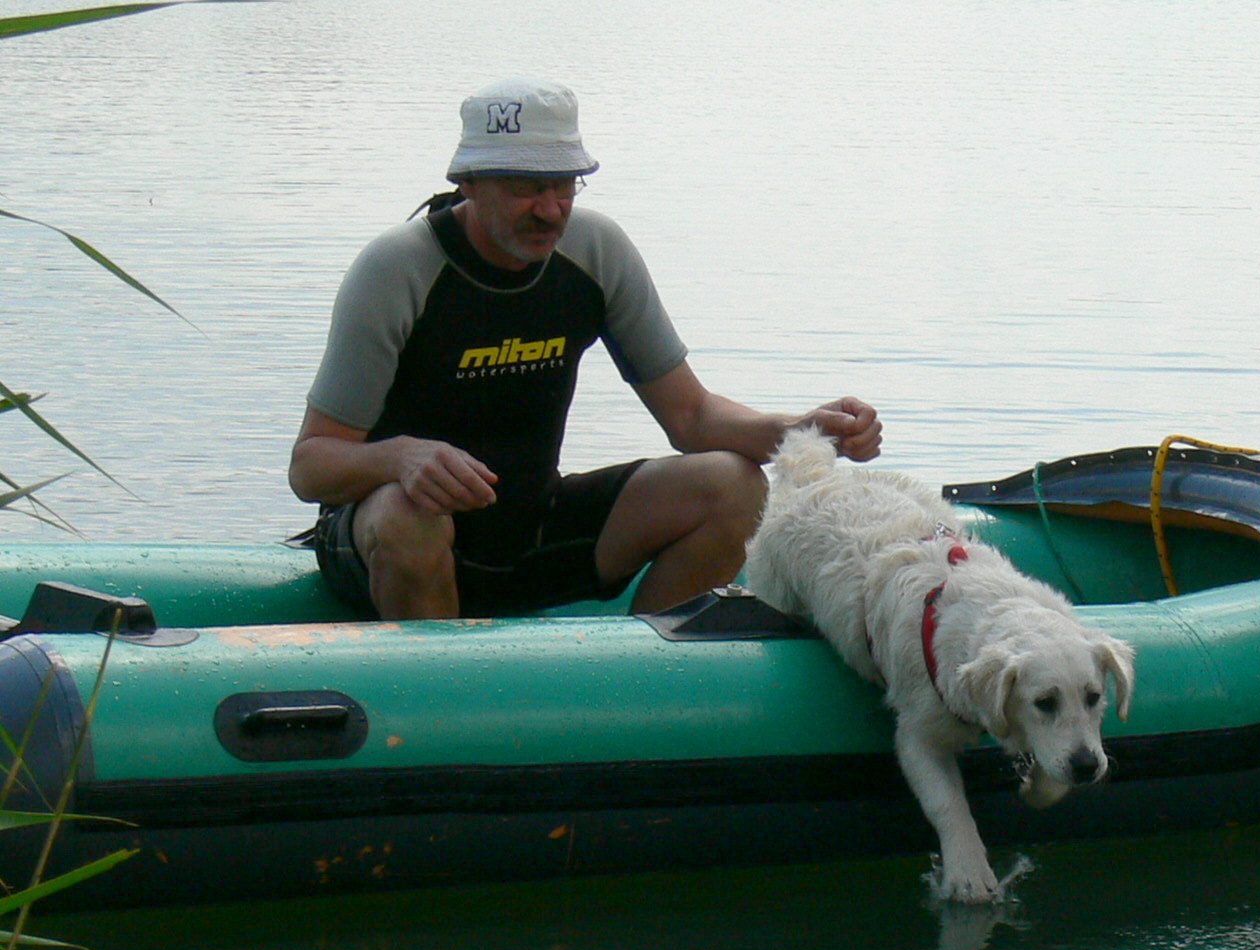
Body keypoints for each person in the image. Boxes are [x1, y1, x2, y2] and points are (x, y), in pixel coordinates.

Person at [289, 77, 880, 619]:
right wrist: (402, 458)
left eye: (563, 184)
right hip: (388, 542)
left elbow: (692, 416)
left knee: (735, 485)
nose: (550, 209)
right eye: (525, 187)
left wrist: (805, 431)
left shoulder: (595, 251)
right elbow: (311, 464)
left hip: (530, 528)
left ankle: (635, 690)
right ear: (467, 182)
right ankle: (442, 709)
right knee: (407, 514)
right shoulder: (397, 270)